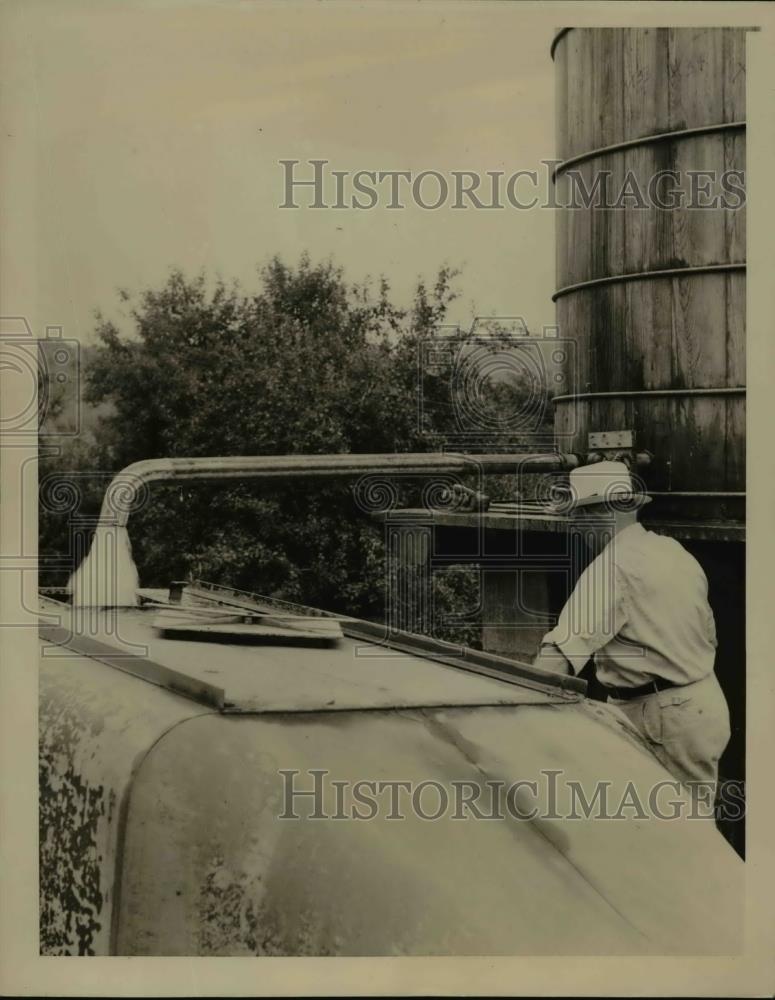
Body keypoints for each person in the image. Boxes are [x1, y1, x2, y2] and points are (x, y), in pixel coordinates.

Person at [534, 461, 731, 808]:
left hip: (660, 719)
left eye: (578, 516)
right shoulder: (674, 552)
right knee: (692, 828)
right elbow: (710, 636)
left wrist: (517, 714)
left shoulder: (611, 569)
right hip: (700, 705)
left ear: (598, 513)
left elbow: (557, 659)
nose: (575, 527)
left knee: (672, 838)